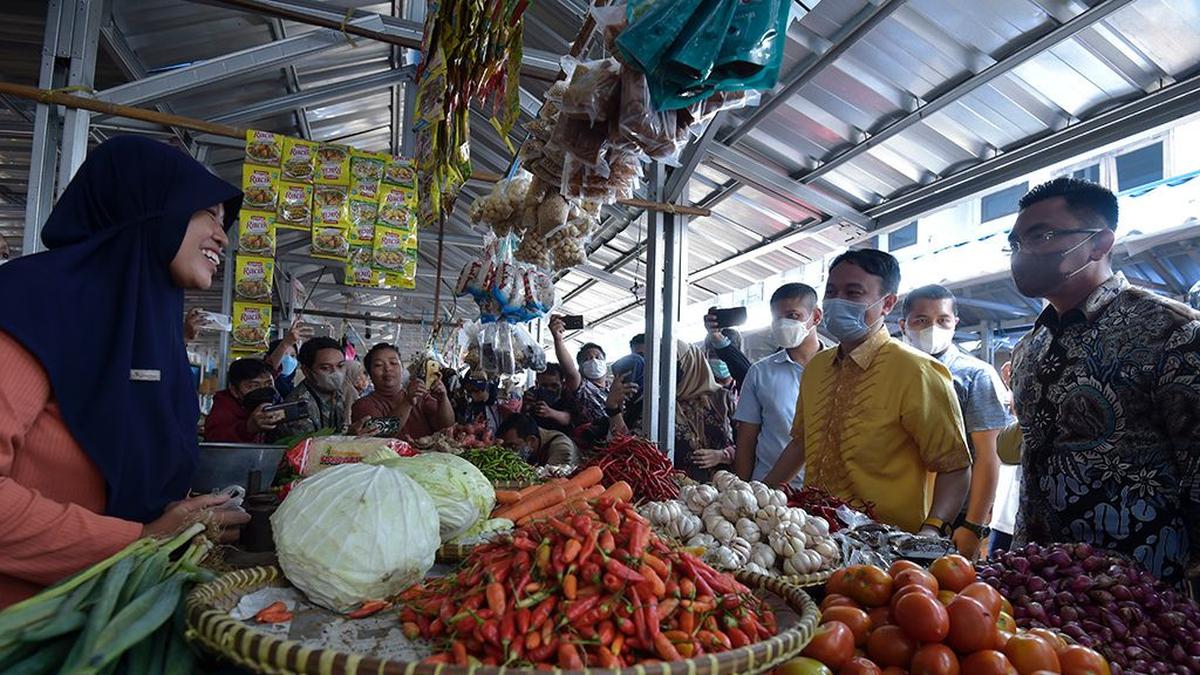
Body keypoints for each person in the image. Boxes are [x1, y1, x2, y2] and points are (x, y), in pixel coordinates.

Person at [0, 136, 250, 607]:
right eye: (206, 212)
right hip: (27, 624)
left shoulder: (150, 325)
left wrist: (181, 514)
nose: (223, 235)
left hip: (112, 604)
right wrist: (141, 537)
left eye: (225, 220)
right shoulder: (30, 304)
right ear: (148, 203)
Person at [1007, 177, 1200, 584]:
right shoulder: (1029, 349)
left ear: (1099, 243)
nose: (1023, 252)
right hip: (1039, 583)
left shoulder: (1172, 331)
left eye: (1041, 235)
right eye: (1015, 242)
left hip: (1139, 596)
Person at [763, 249, 972, 538]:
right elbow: (801, 444)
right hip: (813, 534)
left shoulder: (918, 372)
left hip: (886, 543)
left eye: (853, 292)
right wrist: (758, 496)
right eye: (832, 291)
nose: (838, 302)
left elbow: (954, 466)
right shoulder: (817, 368)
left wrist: (932, 530)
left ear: (887, 303)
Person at [900, 284, 1011, 559]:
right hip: (899, 506)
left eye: (942, 320)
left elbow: (988, 455)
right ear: (903, 325)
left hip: (955, 516)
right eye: (921, 320)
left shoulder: (975, 375)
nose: (932, 328)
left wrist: (974, 526)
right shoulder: (894, 373)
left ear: (954, 324)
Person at [730, 283, 823, 488]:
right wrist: (743, 492)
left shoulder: (839, 366)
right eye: (777, 318)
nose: (783, 324)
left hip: (825, 491)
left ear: (815, 317)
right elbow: (746, 440)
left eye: (792, 316)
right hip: (769, 490)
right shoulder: (761, 372)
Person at [550, 315, 636, 439]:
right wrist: (558, 340)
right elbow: (569, 370)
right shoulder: (582, 387)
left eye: (598, 357)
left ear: (605, 361)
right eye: (587, 359)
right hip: (593, 444)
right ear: (580, 366)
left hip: (620, 438)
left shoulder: (615, 387)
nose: (594, 361)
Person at [352, 343, 455, 439]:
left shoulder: (420, 396)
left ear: (402, 368)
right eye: (378, 365)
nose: (388, 368)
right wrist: (408, 402)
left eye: (393, 363)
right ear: (370, 374)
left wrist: (443, 399)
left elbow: (446, 426)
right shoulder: (363, 405)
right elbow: (381, 434)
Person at [674, 341, 736, 482]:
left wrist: (722, 455)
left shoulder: (723, 399)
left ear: (691, 364)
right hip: (679, 494)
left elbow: (750, 442)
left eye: (674, 365)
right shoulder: (662, 405)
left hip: (728, 491)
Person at [272, 336, 348, 439]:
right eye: (325, 368)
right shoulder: (296, 407)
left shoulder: (339, 393)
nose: (335, 373)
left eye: (340, 366)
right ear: (307, 371)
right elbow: (306, 448)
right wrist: (348, 436)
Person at [204, 358, 285, 443]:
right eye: (254, 386)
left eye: (269, 384)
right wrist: (248, 428)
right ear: (234, 391)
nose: (263, 390)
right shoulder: (223, 409)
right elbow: (214, 441)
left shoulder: (276, 401)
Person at [498, 413, 579, 466]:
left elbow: (552, 481)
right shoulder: (533, 439)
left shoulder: (561, 448)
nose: (508, 452)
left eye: (513, 446)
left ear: (531, 441)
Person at [264, 319, 312, 399]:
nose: (289, 359)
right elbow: (271, 367)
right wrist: (285, 343)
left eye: (293, 356)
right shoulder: (265, 384)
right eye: (284, 355)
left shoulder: (296, 391)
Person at [704, 311, 752, 387]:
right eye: (713, 355)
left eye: (725, 357)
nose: (719, 359)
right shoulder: (699, 387)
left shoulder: (746, 386)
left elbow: (750, 375)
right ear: (706, 355)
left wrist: (719, 340)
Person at [524, 363, 573, 434]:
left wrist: (549, 412)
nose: (550, 389)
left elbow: (568, 418)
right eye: (544, 386)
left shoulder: (568, 396)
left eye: (554, 386)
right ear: (537, 384)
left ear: (563, 384)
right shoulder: (531, 394)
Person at [457, 370, 502, 434]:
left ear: (488, 389)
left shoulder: (499, 408)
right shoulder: (468, 406)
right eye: (469, 391)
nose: (472, 395)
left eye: (476, 391)